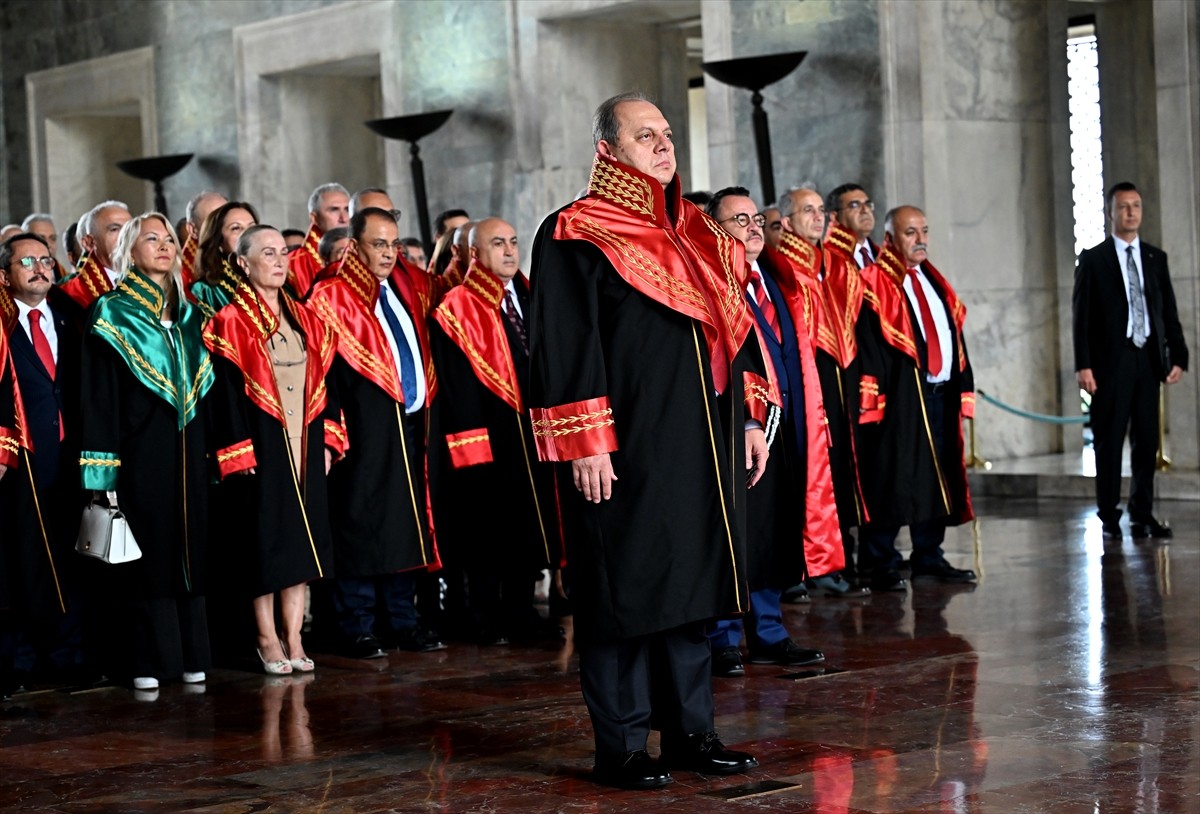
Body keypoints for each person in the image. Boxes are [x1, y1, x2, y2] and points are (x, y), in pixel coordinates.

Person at [528, 92, 770, 790]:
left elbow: (736, 335)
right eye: (645, 136)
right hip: (625, 447)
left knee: (689, 595)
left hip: (701, 445)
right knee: (625, 595)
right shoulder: (574, 232)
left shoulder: (698, 231)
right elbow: (565, 348)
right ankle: (624, 746)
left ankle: (693, 733)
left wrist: (748, 421)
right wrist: (586, 444)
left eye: (666, 134)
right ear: (609, 150)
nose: (665, 146)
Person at [704, 188, 842, 678]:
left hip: (786, 423)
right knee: (735, 534)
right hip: (736, 426)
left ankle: (768, 632)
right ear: (714, 228)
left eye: (755, 219)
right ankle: (723, 636)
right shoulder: (711, 284)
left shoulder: (781, 280)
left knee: (771, 533)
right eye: (738, 220)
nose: (753, 227)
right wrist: (746, 419)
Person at [78, 212, 214, 692]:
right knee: (143, 555)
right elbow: (98, 401)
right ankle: (146, 659)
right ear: (128, 251)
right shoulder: (111, 312)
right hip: (137, 455)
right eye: (150, 239)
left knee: (189, 550)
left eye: (169, 239)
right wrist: (101, 477)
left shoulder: (190, 314)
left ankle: (192, 653)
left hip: (187, 453)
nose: (163, 246)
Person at [204, 225, 340, 675]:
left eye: (284, 252)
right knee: (263, 545)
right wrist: (238, 452)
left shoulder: (308, 318)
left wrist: (330, 442)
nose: (280, 261)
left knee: (302, 545)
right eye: (268, 253)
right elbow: (223, 396)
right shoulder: (230, 322)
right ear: (243, 263)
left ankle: (296, 636)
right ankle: (266, 638)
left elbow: (327, 384)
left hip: (306, 442)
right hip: (262, 445)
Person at [308, 207, 441, 659]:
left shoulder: (402, 292)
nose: (388, 253)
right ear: (355, 246)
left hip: (407, 424)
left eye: (393, 244)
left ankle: (403, 620)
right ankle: (358, 625)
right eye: (378, 244)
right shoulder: (330, 296)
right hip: (360, 428)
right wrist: (332, 433)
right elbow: (320, 373)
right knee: (360, 524)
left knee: (405, 525)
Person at [429, 217, 564, 645]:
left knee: (530, 526)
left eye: (513, 241)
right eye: (497, 244)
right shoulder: (457, 306)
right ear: (473, 254)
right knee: (487, 530)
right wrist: (472, 450)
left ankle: (524, 613)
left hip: (533, 431)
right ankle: (487, 617)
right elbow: (456, 387)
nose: (509, 251)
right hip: (490, 434)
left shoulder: (527, 293)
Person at [855, 206, 976, 590]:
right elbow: (869, 347)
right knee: (893, 475)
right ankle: (879, 561)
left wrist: (965, 388)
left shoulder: (933, 280)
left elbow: (954, 335)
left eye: (924, 230)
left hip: (941, 394)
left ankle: (928, 555)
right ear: (890, 238)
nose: (920, 239)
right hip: (902, 399)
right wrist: (873, 400)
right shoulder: (874, 281)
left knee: (938, 473)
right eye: (911, 232)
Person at [1073, 182, 1188, 539]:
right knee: (1109, 439)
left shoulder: (1156, 258)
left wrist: (1178, 354)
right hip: (1111, 363)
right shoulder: (1093, 259)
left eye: (1136, 206)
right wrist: (1084, 365)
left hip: (1148, 359)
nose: (1131, 213)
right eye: (1123, 207)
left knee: (1146, 440)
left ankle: (1142, 512)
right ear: (1111, 213)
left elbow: (1167, 311)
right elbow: (1081, 317)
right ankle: (1109, 514)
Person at [771, 186, 870, 597]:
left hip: (838, 378)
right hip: (803, 378)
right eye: (806, 211)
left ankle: (835, 561)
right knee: (807, 469)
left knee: (839, 467)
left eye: (819, 211)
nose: (818, 218)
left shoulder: (834, 264)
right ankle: (803, 566)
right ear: (788, 222)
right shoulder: (783, 264)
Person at [0, 232, 86, 691]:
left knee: (72, 555)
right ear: (5, 275)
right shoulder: (2, 323)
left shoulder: (73, 315)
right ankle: (19, 660)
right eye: (26, 261)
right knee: (21, 557)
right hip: (20, 458)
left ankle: (68, 654)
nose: (39, 268)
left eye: (45, 260)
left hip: (71, 456)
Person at [56, 201, 131, 324]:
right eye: (115, 229)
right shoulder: (67, 295)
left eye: (130, 228)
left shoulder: (154, 282)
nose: (126, 236)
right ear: (89, 243)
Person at [190, 201, 259, 315]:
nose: (247, 234)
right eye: (236, 228)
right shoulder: (204, 291)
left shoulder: (276, 279)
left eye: (252, 227)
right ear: (219, 241)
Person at [289, 183, 350, 298]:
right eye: (334, 210)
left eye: (347, 210)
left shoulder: (364, 253)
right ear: (314, 218)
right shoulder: (291, 265)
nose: (344, 218)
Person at [180, 191, 228, 290]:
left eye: (228, 218)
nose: (224, 227)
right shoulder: (181, 278)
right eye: (214, 221)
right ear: (193, 230)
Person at [826, 184, 879, 268]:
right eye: (855, 205)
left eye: (868, 204)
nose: (865, 210)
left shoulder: (884, 258)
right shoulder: (827, 260)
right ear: (834, 217)